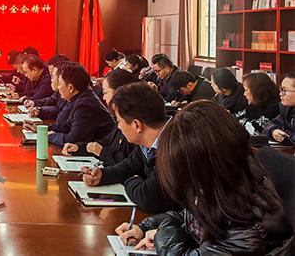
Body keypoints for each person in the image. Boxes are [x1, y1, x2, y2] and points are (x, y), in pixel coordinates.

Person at [115, 101, 293, 254]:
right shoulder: (222, 185)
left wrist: (162, 234)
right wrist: (145, 227)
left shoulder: (250, 226)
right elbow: (189, 216)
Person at [82, 82, 178, 213]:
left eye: (119, 121)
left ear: (137, 125)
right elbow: (129, 166)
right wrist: (103, 175)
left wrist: (131, 179)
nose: (119, 127)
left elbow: (148, 198)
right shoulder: (147, 142)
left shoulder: (175, 145)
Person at [25, 62, 115, 148]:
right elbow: (67, 125)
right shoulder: (79, 97)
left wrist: (48, 136)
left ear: (71, 88)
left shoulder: (84, 105)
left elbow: (73, 140)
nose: (58, 88)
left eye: (60, 84)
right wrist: (42, 129)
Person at [61, 68, 138, 165]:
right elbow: (107, 142)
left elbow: (130, 165)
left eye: (105, 93)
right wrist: (79, 148)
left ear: (119, 92)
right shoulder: (120, 117)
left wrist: (101, 152)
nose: (103, 98)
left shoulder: (133, 120)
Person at [264, 73, 295, 145]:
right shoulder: (286, 108)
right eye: (281, 89)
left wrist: (286, 134)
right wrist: (273, 131)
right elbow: (269, 125)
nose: (280, 94)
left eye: (284, 90)